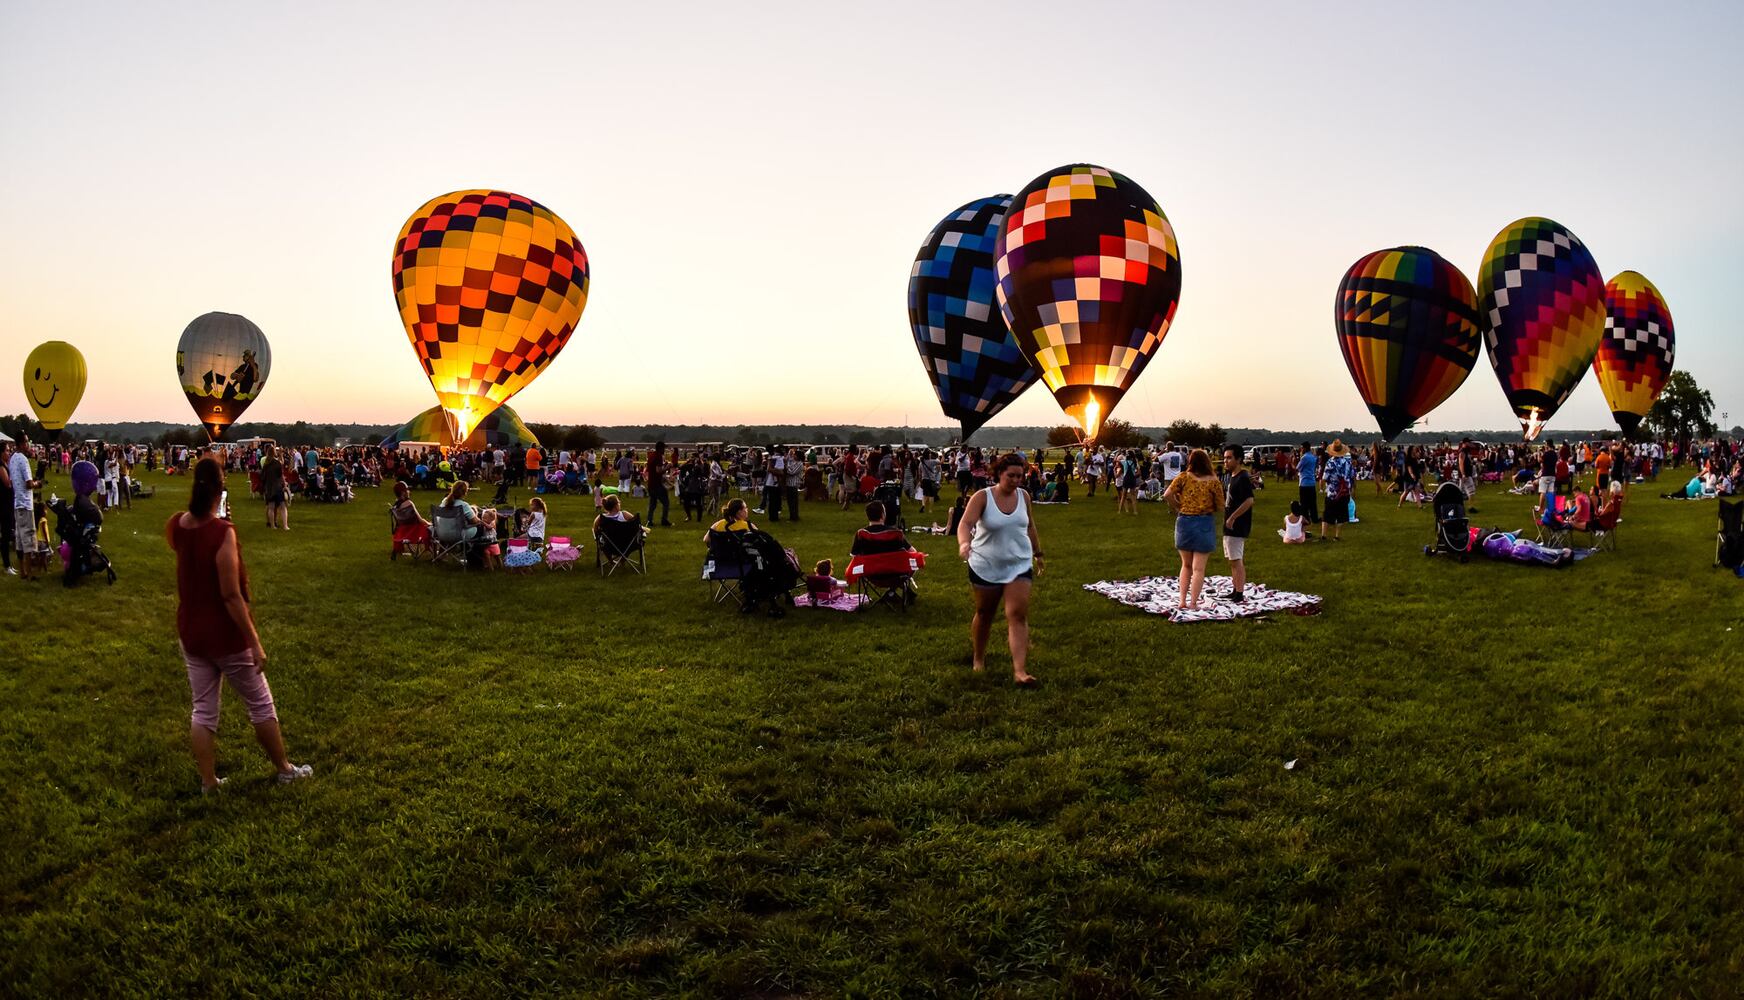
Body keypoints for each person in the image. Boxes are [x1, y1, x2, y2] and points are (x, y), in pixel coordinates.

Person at [165, 456, 311, 793]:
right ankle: (285, 768)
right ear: (221, 486)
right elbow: (231, 595)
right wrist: (255, 641)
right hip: (225, 635)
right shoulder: (222, 533)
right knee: (260, 703)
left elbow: (186, 543)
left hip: (192, 631)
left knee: (203, 709)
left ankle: (208, 782)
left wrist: (216, 521)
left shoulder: (178, 524)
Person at [956, 453, 1042, 687]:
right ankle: (978, 658)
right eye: (1010, 476)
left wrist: (1038, 553)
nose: (1016, 480)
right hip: (986, 564)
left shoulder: (1024, 496)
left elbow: (1030, 525)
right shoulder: (982, 497)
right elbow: (965, 524)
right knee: (985, 614)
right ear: (998, 474)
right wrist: (964, 543)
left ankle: (1020, 671)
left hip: (1019, 563)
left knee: (1017, 614)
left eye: (1020, 476)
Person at [1163, 448, 1224, 611]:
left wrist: (1178, 506)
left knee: (1186, 565)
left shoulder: (1183, 477)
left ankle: (1182, 600)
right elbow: (1220, 505)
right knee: (1198, 569)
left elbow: (1167, 494)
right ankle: (1193, 603)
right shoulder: (1213, 481)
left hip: (1184, 522)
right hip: (1204, 522)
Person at [1222, 446, 1255, 602]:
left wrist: (1233, 517)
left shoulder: (1242, 477)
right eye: (1225, 457)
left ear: (1239, 459)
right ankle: (1235, 589)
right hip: (1229, 525)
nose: (1225, 461)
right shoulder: (1232, 476)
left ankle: (1240, 593)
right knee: (1232, 560)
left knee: (1237, 560)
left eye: (1229, 458)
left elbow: (1249, 500)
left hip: (1237, 525)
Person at [9, 436, 41, 579]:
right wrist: (37, 483)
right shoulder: (23, 459)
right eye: (27, 441)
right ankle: (29, 573)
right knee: (28, 538)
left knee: (20, 539)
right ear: (22, 443)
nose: (28, 444)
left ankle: (22, 570)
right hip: (26, 504)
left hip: (17, 502)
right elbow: (28, 483)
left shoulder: (12, 458)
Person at [1320, 439, 1354, 541]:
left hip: (1332, 492)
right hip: (1344, 492)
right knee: (1341, 515)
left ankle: (1324, 535)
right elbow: (1351, 476)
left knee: (1327, 514)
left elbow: (1325, 477)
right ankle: (1337, 536)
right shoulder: (1348, 463)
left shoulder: (1330, 462)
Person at [260, 448, 289, 530]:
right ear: (274, 453)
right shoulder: (277, 463)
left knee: (271, 507)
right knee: (283, 506)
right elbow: (280, 475)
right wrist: (285, 485)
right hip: (278, 486)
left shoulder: (266, 464)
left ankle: (272, 525)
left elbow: (262, 477)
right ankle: (285, 525)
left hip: (269, 487)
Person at [645, 443, 672, 527]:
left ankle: (649, 521)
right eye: (664, 448)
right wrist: (668, 466)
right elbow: (658, 471)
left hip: (651, 483)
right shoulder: (658, 456)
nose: (665, 450)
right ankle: (664, 520)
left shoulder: (651, 455)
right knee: (666, 502)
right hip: (657, 484)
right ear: (660, 448)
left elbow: (652, 469)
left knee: (652, 503)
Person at [1295, 442, 1318, 527]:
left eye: (1302, 448)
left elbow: (1298, 468)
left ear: (1304, 448)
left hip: (1304, 483)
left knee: (1304, 503)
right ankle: (1314, 518)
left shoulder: (1304, 457)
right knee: (1312, 503)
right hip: (1312, 482)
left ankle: (1306, 518)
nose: (1301, 449)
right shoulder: (1313, 457)